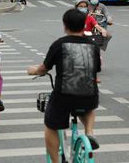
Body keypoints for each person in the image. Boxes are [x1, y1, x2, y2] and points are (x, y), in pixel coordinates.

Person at [27, 9, 101, 161]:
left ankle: (55, 161)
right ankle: (89, 132)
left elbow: (43, 69)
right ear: (83, 26)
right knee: (88, 109)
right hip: (89, 95)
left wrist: (33, 70)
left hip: (64, 97)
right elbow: (96, 69)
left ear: (65, 26)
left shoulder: (59, 44)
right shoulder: (93, 47)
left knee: (51, 126)